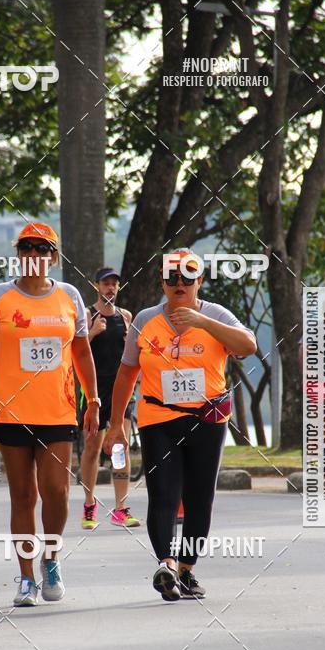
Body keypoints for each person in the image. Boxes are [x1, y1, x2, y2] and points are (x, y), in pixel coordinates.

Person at [103, 251, 256, 602]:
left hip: (206, 419)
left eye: (188, 277)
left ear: (199, 281)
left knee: (200, 499)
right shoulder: (145, 319)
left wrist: (203, 322)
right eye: (172, 278)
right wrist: (116, 425)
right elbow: (126, 373)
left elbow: (247, 345)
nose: (179, 284)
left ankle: (186, 570)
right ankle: (166, 565)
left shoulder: (216, 314)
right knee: (163, 494)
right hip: (158, 418)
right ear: (162, 282)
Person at [0, 222, 100, 607]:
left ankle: (51, 559)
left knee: (57, 491)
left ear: (53, 257)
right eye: (26, 247)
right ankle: (26, 578)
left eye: (42, 248)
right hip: (11, 413)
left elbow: (81, 352)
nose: (34, 254)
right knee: (23, 495)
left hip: (58, 410)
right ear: (18, 254)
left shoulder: (69, 296)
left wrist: (93, 400)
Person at [79, 267, 141, 530]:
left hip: (121, 390)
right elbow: (76, 350)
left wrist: (131, 342)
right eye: (105, 283)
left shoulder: (126, 316)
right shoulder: (86, 314)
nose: (110, 288)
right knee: (92, 448)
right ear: (96, 286)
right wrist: (92, 332)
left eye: (114, 283)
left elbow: (134, 354)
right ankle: (89, 505)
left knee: (119, 448)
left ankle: (120, 509)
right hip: (94, 391)